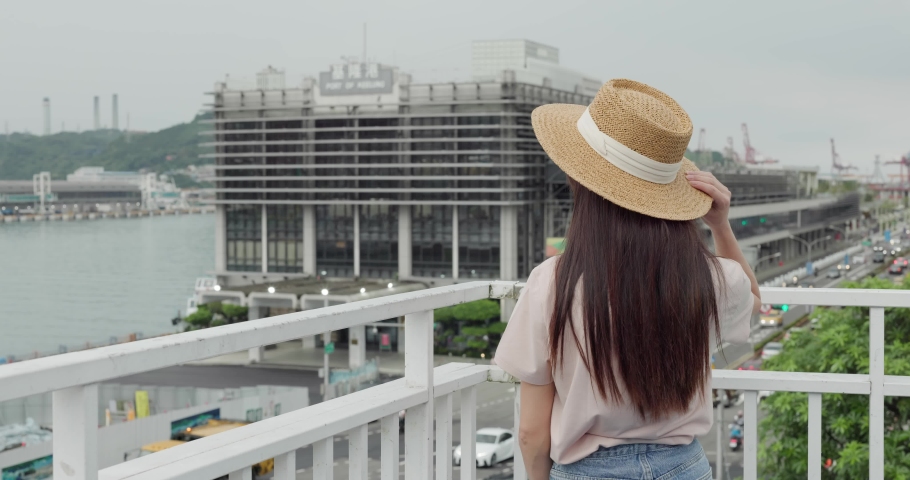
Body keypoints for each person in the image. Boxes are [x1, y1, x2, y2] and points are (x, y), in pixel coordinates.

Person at [493, 79, 761, 480]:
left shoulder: (554, 283)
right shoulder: (708, 279)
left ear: (582, 183)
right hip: (685, 468)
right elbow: (754, 304)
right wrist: (721, 226)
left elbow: (532, 433)